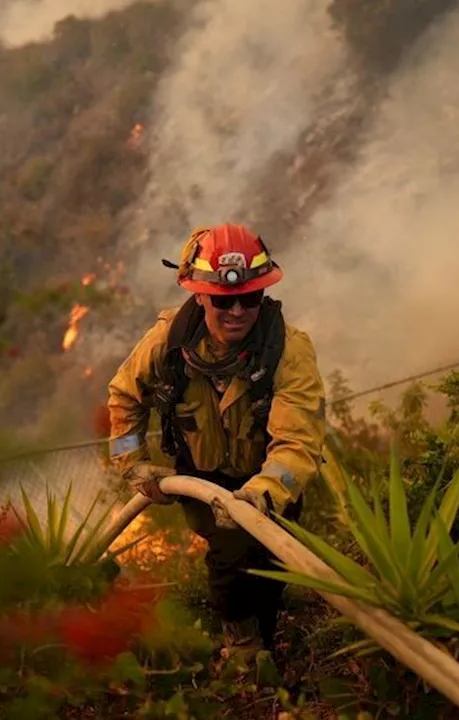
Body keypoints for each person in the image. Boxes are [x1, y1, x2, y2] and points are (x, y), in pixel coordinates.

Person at [106, 223, 327, 660]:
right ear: (201, 295)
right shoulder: (168, 343)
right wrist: (132, 465)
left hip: (267, 487)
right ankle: (243, 651)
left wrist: (264, 491)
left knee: (270, 569)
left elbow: (298, 442)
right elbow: (123, 396)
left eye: (250, 298)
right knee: (230, 562)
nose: (238, 312)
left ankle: (263, 644)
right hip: (202, 480)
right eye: (225, 301)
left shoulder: (288, 351)